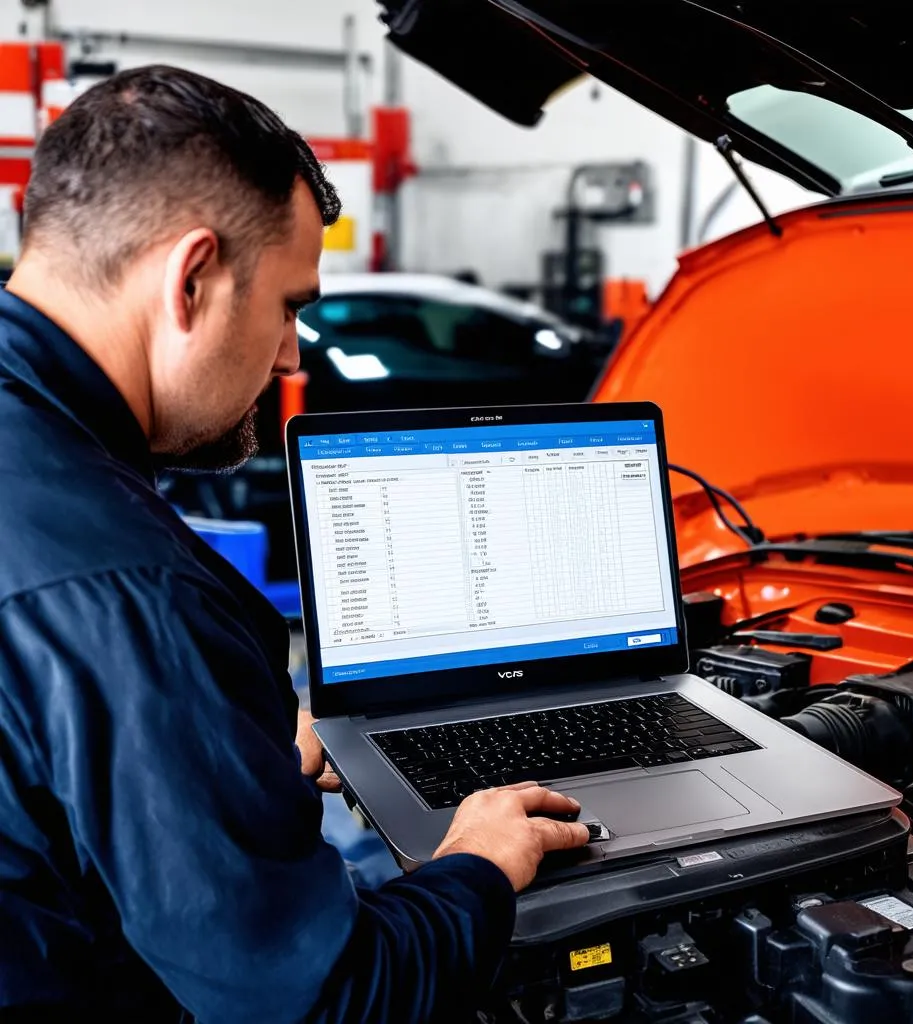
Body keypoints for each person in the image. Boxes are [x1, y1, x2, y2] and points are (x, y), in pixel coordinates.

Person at [0, 65, 590, 1022]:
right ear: (190, 278)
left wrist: (226, 739)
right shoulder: (135, 597)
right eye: (289, 306)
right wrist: (479, 862)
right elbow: (329, 1004)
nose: (290, 357)